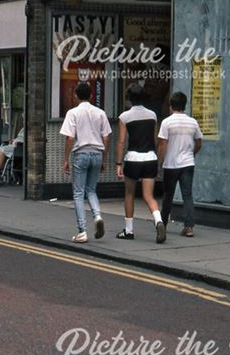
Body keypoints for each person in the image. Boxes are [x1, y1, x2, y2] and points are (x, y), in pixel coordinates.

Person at [60, 82, 111, 244]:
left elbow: (69, 137)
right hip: (97, 153)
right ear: (91, 96)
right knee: (91, 190)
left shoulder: (73, 113)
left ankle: (82, 231)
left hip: (81, 154)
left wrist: (65, 159)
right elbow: (106, 137)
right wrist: (104, 158)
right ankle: (97, 216)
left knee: (78, 193)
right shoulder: (100, 113)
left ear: (75, 96)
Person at [116, 83, 166, 243]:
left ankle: (128, 230)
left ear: (129, 98)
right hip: (150, 158)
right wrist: (157, 163)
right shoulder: (152, 115)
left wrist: (118, 163)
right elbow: (156, 139)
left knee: (129, 194)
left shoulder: (124, 117)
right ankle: (158, 221)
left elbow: (121, 141)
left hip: (133, 158)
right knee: (148, 196)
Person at [157, 92, 203, 237]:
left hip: (171, 165)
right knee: (187, 195)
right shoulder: (192, 122)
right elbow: (199, 142)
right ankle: (189, 227)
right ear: (185, 105)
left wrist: (159, 163)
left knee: (167, 195)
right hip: (188, 163)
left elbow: (163, 143)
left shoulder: (167, 122)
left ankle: (163, 224)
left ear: (171, 105)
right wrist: (192, 153)